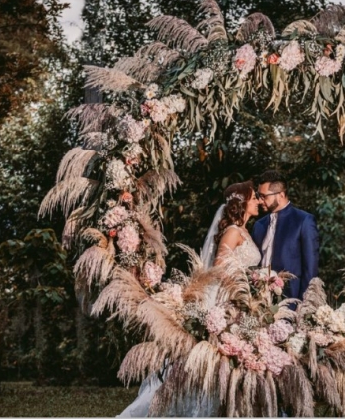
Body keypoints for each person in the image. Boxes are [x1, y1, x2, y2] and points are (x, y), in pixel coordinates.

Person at [118, 181, 261, 417]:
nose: (258, 201)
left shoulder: (242, 230)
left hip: (242, 298)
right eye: (254, 197)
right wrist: (240, 286)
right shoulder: (233, 231)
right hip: (227, 298)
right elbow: (219, 268)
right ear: (243, 202)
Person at [252, 170, 320, 302]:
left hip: (291, 301)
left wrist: (303, 305)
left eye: (264, 196)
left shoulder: (303, 221)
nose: (260, 201)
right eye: (258, 196)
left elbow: (310, 269)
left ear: (281, 195)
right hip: (258, 302)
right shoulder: (259, 225)